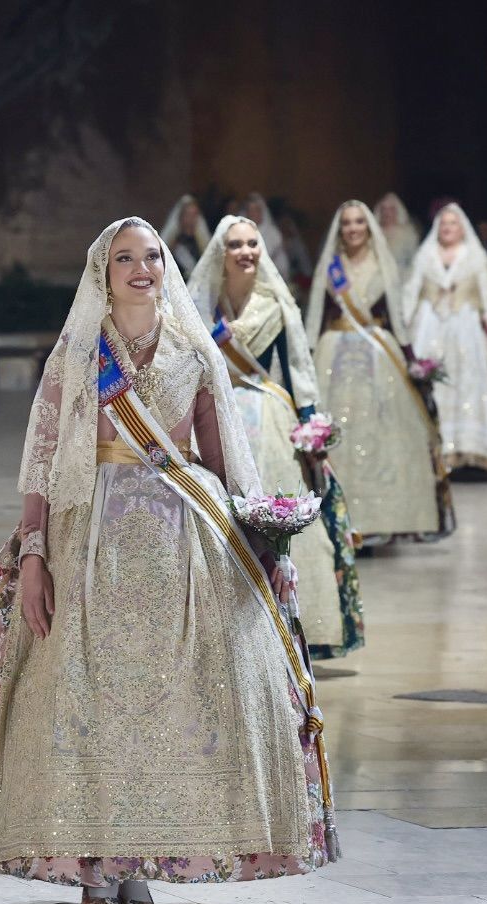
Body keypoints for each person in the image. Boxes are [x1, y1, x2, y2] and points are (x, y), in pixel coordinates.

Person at [0, 217, 337, 904]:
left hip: (180, 542)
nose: (141, 269)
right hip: (90, 540)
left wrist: (260, 527)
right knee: (93, 706)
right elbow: (43, 460)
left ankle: (141, 871)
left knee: (168, 710)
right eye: (125, 259)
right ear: (101, 273)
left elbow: (222, 458)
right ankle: (96, 873)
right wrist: (36, 555)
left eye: (152, 257)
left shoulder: (193, 349)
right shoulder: (79, 352)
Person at [188, 214, 364, 658]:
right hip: (215, 416)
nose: (246, 251)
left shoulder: (276, 304)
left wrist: (310, 427)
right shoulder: (199, 306)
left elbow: (298, 367)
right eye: (236, 245)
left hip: (267, 415)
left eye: (253, 244)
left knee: (277, 513)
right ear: (220, 254)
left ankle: (292, 623)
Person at [305, 200, 454, 545]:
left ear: (369, 227)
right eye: (347, 223)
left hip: (378, 354)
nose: (353, 228)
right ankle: (341, 518)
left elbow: (397, 317)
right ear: (339, 229)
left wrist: (412, 361)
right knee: (338, 433)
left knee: (383, 433)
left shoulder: (382, 264)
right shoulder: (332, 267)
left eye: (360, 222)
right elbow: (316, 317)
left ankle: (380, 520)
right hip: (335, 353)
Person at [404, 202, 487, 476]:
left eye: (453, 224)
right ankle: (435, 451)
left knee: (470, 387)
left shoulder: (475, 257)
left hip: (467, 332)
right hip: (430, 330)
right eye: (443, 224)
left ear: (462, 228)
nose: (448, 228)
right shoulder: (424, 256)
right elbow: (409, 294)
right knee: (432, 386)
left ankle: (472, 453)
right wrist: (402, 327)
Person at [159, 194, 210, 276]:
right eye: (188, 214)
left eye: (194, 214)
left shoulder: (203, 244)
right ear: (180, 217)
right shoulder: (173, 243)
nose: (191, 219)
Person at [244, 193, 290, 279]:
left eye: (256, 210)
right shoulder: (242, 231)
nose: (252, 213)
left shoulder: (273, 233)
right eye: (250, 210)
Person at [374, 192, 421, 272]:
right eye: (383, 209)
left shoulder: (408, 233)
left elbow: (415, 260)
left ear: (398, 211)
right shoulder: (372, 232)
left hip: (401, 275)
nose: (387, 213)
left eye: (391, 209)